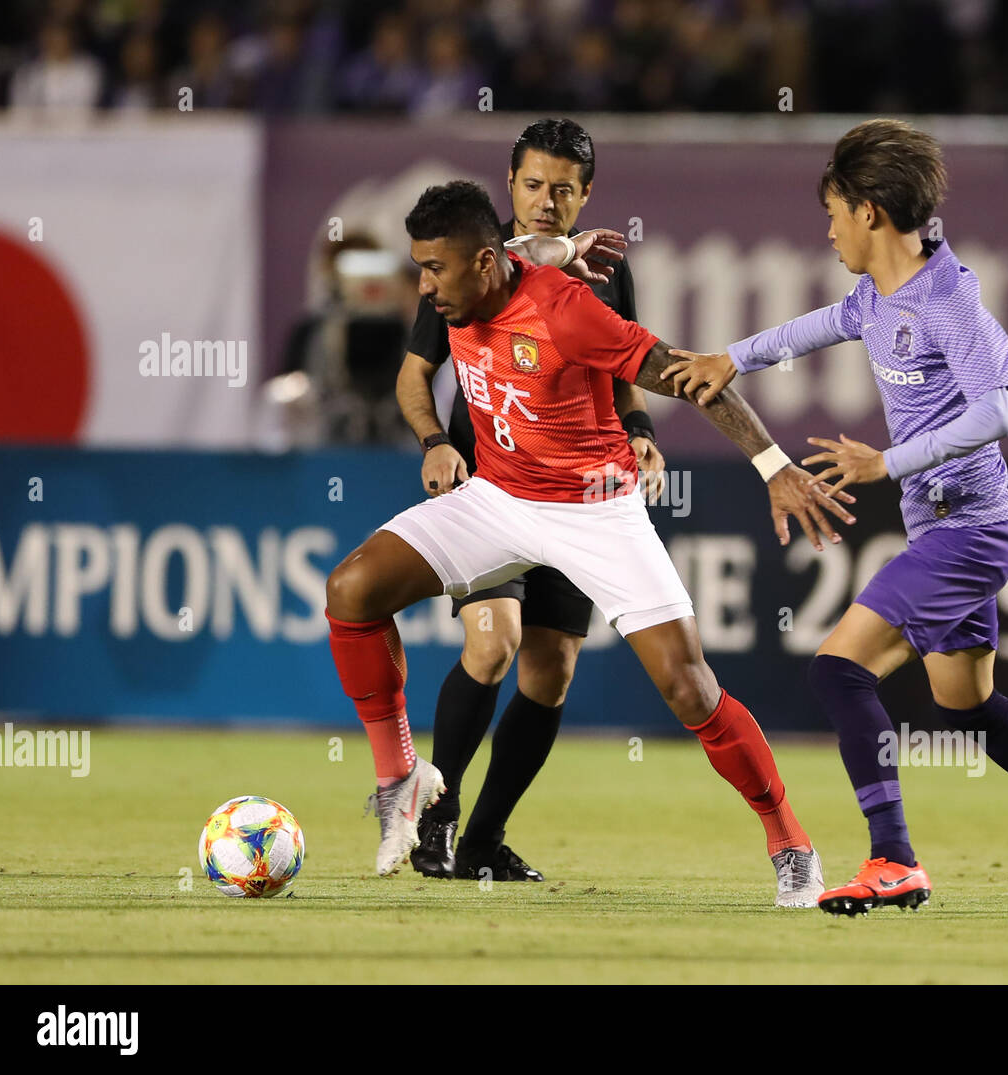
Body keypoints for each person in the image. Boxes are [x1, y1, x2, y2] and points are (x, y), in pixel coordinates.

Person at [326, 179, 852, 906]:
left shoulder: (565, 309)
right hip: (497, 496)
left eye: (434, 270)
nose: (424, 286)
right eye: (419, 266)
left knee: (687, 685)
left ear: (482, 263)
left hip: (593, 509)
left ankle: (790, 840)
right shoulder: (474, 275)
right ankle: (401, 777)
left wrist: (773, 464)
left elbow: (685, 375)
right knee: (352, 590)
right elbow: (517, 249)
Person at [663, 119, 1008, 916]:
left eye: (835, 211)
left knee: (837, 669)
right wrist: (730, 358)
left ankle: (894, 859)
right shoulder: (877, 294)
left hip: (968, 530)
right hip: (947, 527)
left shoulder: (948, 299)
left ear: (871, 212)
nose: (830, 228)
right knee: (966, 704)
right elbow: (813, 328)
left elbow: (995, 413)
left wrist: (889, 462)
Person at [398, 119, 666, 882]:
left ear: (588, 194)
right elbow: (414, 377)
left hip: (578, 497)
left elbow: (621, 371)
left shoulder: (605, 271)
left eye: (564, 189)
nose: (547, 202)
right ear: (509, 183)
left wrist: (639, 429)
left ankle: (483, 838)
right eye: (533, 185)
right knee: (492, 643)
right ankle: (435, 822)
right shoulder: (471, 261)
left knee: (550, 674)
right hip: (490, 489)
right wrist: (434, 444)